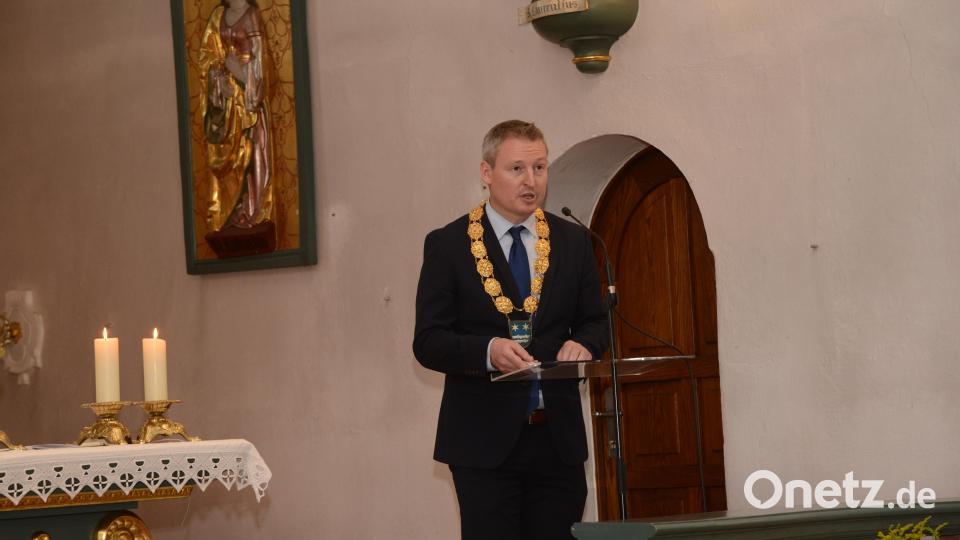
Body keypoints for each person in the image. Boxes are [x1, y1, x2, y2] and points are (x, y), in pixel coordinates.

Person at [414, 120, 608, 539]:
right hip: (483, 445)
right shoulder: (448, 245)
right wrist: (488, 351)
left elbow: (596, 319)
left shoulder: (572, 241)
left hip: (557, 441)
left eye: (539, 168)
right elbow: (429, 341)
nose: (531, 181)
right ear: (487, 174)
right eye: (516, 169)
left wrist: (584, 342)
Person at [198, 0, 274, 233]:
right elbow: (208, 59)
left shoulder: (251, 15)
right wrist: (219, 81)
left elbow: (261, 61)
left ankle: (251, 212)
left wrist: (240, 74)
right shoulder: (218, 16)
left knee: (251, 156)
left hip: (249, 102)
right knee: (226, 160)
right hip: (228, 103)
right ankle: (227, 215)